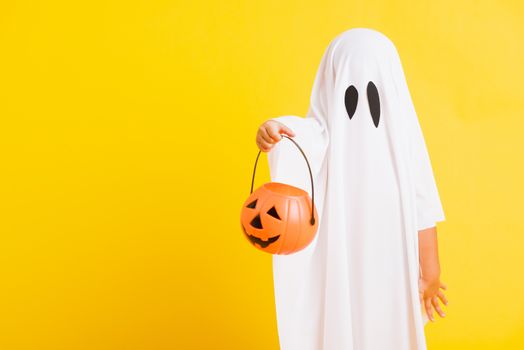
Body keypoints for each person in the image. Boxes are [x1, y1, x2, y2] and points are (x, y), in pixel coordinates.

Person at [255, 28, 448, 350]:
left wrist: (431, 274)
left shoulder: (404, 145)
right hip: (340, 261)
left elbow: (421, 206)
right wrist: (273, 130)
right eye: (350, 91)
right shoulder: (322, 138)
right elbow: (295, 135)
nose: (360, 107)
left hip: (390, 263)